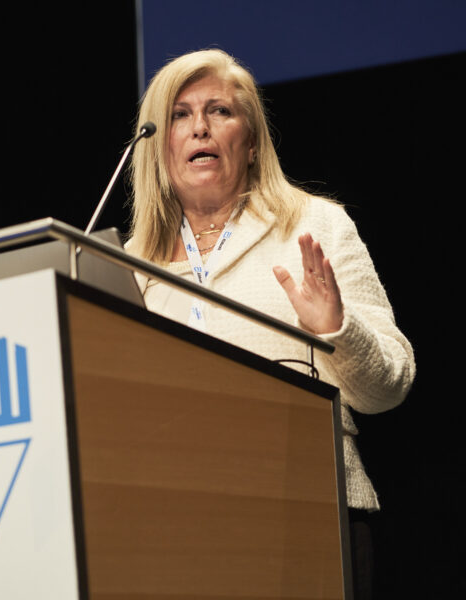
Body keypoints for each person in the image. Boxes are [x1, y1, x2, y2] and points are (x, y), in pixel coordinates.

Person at [126, 48, 415, 597]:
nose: (200, 128)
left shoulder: (314, 225)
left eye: (219, 111)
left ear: (253, 141)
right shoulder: (129, 265)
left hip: (307, 511)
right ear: (158, 147)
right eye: (180, 115)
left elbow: (389, 386)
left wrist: (338, 329)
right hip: (174, 527)